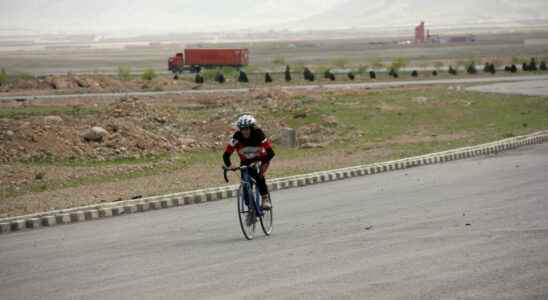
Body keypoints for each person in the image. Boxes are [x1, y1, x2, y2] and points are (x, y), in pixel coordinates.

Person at [223, 114, 275, 210]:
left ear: (251, 128)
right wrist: (230, 165)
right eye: (242, 129)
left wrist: (262, 162)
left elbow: (271, 153)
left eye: (247, 129)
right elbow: (226, 154)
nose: (245, 131)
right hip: (246, 162)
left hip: (262, 159)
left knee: (259, 176)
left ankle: (265, 199)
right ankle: (251, 209)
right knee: (246, 186)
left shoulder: (259, 134)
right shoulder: (236, 137)